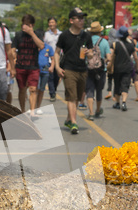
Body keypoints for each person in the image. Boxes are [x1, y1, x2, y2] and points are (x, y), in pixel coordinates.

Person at [54, 7, 93, 135]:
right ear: (72, 20)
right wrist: (57, 67)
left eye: (83, 18)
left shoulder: (86, 35)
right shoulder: (64, 35)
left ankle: (68, 119)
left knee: (77, 98)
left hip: (82, 70)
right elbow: (57, 52)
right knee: (71, 97)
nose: (82, 21)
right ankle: (74, 123)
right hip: (68, 69)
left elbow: (92, 54)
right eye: (79, 18)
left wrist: (89, 54)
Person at [12, 14, 44, 117]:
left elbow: (41, 46)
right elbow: (12, 49)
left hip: (33, 67)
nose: (24, 26)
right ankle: (22, 110)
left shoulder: (37, 34)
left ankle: (32, 111)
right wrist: (14, 57)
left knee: (33, 89)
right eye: (23, 24)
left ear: (32, 25)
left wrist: (32, 34)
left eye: (27, 24)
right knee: (22, 90)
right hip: (20, 66)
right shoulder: (18, 35)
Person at [86, 21, 111, 120]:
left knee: (90, 91)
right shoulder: (104, 42)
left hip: (89, 69)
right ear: (100, 31)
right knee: (99, 91)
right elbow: (109, 57)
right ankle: (97, 110)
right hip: (101, 70)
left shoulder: (86, 41)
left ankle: (91, 113)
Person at [111, 26, 138, 112]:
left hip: (117, 68)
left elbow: (112, 57)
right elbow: (135, 57)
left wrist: (110, 65)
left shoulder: (116, 44)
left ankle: (117, 103)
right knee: (125, 85)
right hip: (127, 68)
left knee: (117, 85)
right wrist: (137, 67)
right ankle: (124, 102)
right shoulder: (131, 44)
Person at [35, 30, 54, 114]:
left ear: (43, 38)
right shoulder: (33, 47)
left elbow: (53, 58)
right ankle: (33, 107)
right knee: (35, 89)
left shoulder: (48, 47)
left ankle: (38, 106)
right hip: (35, 69)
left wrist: (52, 67)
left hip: (45, 70)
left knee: (41, 89)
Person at [44, 17, 61, 102]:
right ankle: (52, 93)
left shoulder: (61, 34)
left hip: (58, 59)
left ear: (56, 23)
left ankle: (54, 89)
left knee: (56, 77)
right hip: (49, 60)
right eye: (49, 22)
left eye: (52, 22)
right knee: (50, 77)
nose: (51, 24)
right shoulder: (46, 35)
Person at [104, 28, 117, 100]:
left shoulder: (108, 42)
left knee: (109, 78)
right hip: (117, 62)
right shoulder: (118, 42)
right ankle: (115, 95)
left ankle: (109, 92)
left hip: (109, 62)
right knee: (116, 79)